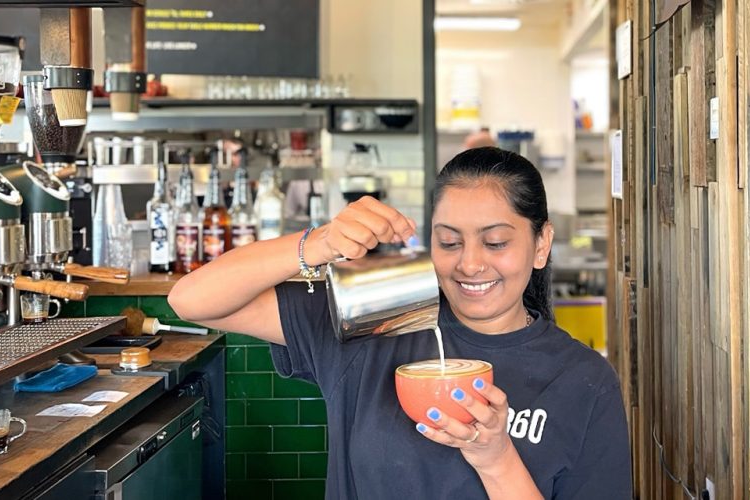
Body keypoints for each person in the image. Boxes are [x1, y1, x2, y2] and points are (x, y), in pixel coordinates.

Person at [169, 147, 633, 499]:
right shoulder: (378, 318)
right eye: (449, 242)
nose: (470, 264)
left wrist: (496, 459)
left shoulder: (583, 382)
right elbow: (192, 300)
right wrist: (322, 241)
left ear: (541, 244)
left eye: (495, 243)